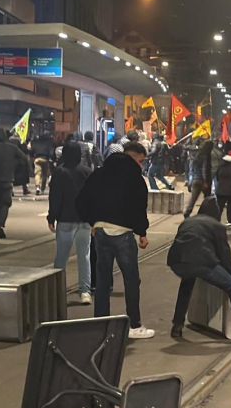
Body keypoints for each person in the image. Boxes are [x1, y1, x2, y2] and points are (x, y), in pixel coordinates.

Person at [76, 141, 154, 339]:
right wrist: (142, 233)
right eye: (141, 160)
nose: (142, 165)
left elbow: (81, 200)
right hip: (123, 234)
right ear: (133, 156)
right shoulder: (135, 177)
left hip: (100, 232)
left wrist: (94, 221)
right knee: (131, 280)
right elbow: (139, 206)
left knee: (102, 281)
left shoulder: (99, 173)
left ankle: (100, 324)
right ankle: (134, 325)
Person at [166, 198, 231, 345]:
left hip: (177, 262)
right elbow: (226, 259)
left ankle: (177, 325)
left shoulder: (187, 222)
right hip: (201, 262)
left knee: (187, 283)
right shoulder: (216, 226)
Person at [48, 142, 92, 304]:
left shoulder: (60, 172)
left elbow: (55, 197)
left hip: (66, 219)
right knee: (84, 256)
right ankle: (85, 292)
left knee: (61, 257)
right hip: (84, 220)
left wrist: (51, 217)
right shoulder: (87, 172)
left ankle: (56, 291)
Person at [184, 140, 213, 218]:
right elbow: (204, 169)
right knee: (207, 198)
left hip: (195, 179)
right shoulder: (206, 156)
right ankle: (206, 213)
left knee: (193, 199)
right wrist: (205, 181)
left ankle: (187, 211)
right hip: (202, 180)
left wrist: (190, 180)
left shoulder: (196, 156)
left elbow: (191, 169)